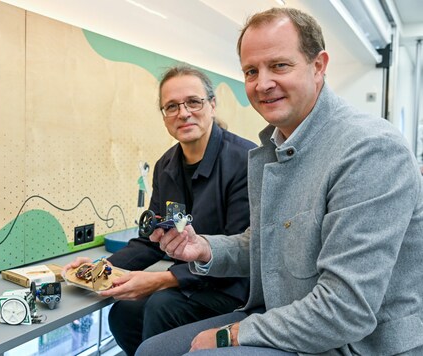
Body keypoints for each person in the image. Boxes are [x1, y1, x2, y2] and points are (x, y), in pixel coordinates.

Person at [138, 7, 423, 356]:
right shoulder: (274, 149)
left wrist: (233, 333)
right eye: (251, 71)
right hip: (285, 313)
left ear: (318, 66)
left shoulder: (369, 150)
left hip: (356, 343)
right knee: (154, 350)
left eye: (279, 66)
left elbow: (346, 308)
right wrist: (206, 249)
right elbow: (265, 244)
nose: (263, 84)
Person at [63, 64, 256, 355]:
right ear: (164, 116)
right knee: (123, 313)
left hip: (233, 290)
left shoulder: (244, 161)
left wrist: (160, 281)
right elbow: (150, 240)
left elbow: (243, 252)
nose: (183, 112)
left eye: (193, 101)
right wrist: (100, 269)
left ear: (212, 105)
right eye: (171, 106)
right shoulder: (166, 166)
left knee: (161, 305)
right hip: (188, 282)